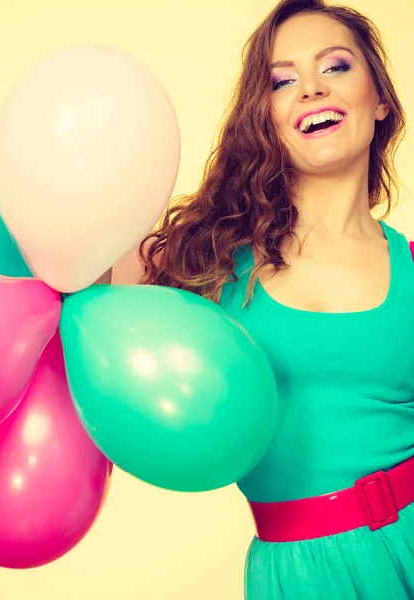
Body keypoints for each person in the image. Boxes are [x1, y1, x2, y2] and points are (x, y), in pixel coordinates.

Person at [111, 0, 414, 598]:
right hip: (297, 573)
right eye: (282, 81)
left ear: (380, 100)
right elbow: (66, 281)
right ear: (265, 117)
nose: (309, 89)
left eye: (335, 67)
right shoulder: (203, 258)